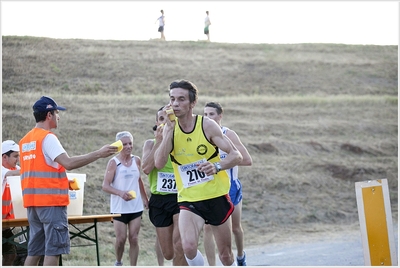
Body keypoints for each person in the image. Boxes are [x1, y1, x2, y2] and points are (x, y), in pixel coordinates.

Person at [19, 96, 118, 266]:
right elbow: (69, 163)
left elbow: (39, 171)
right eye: (57, 113)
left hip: (33, 205)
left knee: (34, 252)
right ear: (49, 115)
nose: (59, 117)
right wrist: (98, 153)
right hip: (51, 204)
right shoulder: (48, 138)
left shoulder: (25, 141)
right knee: (53, 251)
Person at [154, 79, 243, 266]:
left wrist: (217, 166)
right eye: (172, 99)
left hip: (216, 195)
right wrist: (169, 132)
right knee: (188, 246)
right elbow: (159, 163)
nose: (175, 104)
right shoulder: (168, 129)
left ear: (192, 103)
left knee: (225, 255)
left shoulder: (207, 125)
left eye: (181, 99)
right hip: (189, 198)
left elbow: (236, 156)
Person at [203, 102, 253, 266]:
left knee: (235, 228)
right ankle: (211, 265)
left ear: (220, 116)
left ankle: (240, 256)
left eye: (211, 114)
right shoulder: (201, 135)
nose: (208, 118)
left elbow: (246, 160)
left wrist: (222, 162)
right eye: (205, 114)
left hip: (229, 187)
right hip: (209, 187)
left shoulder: (228, 134)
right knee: (208, 228)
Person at [142, 107, 187, 266]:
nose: (165, 122)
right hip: (159, 200)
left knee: (180, 245)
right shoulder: (150, 143)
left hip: (180, 198)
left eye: (168, 118)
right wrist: (159, 142)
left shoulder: (182, 142)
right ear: (157, 123)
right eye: (161, 119)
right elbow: (146, 169)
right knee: (168, 253)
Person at [102, 131, 149, 266]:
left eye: (130, 143)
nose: (128, 146)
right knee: (121, 239)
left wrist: (145, 198)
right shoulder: (113, 162)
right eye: (124, 144)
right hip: (119, 208)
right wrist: (120, 193)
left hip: (135, 206)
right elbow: (105, 185)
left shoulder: (137, 160)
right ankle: (118, 262)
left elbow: (139, 180)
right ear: (118, 146)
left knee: (134, 238)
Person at [2, 140, 21, 266]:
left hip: (6, 223)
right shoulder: (3, 169)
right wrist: (34, 168)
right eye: (15, 156)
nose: (18, 159)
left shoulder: (16, 169)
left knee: (11, 254)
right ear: (4, 157)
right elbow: (13, 174)